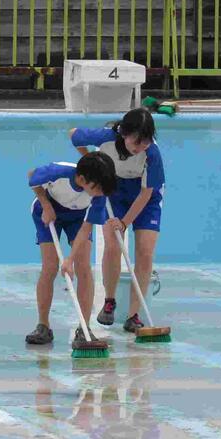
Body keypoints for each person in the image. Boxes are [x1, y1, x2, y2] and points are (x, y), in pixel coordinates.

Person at [69, 108, 165, 333]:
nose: (141, 146)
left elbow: (147, 193)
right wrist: (92, 162)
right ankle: (109, 301)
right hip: (114, 190)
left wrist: (124, 223)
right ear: (124, 133)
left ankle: (134, 315)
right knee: (112, 246)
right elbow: (73, 134)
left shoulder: (152, 154)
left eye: (146, 141)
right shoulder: (106, 137)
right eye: (137, 141)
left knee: (145, 252)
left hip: (145, 196)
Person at [25, 152, 120, 348]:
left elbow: (85, 229)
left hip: (78, 219)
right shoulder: (58, 172)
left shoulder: (99, 195)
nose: (100, 193)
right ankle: (43, 326)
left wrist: (70, 259)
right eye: (98, 188)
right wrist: (45, 204)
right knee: (50, 266)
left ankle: (84, 329)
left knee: (83, 267)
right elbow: (32, 176)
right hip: (48, 211)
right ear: (83, 179)